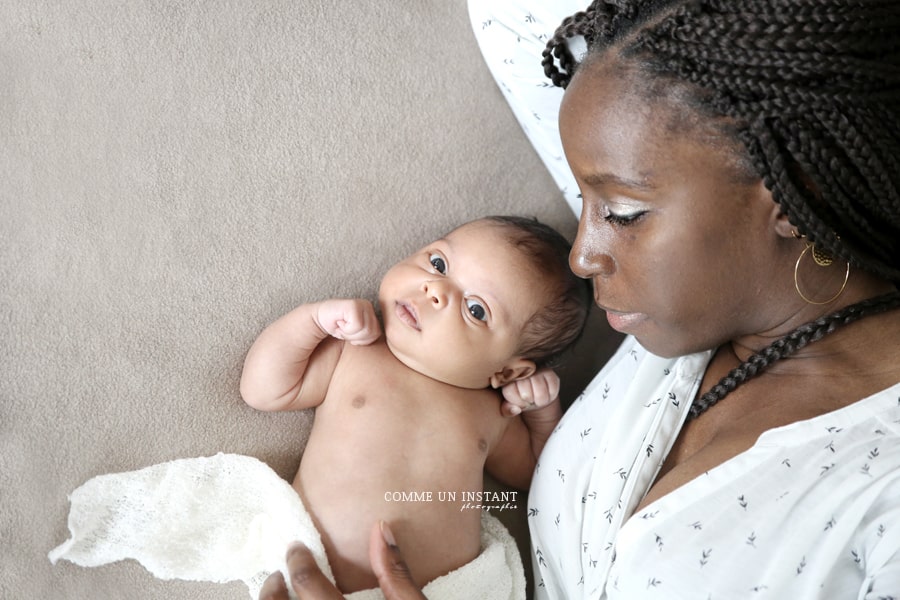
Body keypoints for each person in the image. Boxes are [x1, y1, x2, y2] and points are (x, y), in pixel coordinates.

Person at [261, 0, 900, 598]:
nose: (580, 255)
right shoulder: (680, 307)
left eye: (621, 213)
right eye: (585, 200)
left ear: (797, 198)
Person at [240, 215, 591, 594]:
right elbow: (264, 390)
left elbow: (538, 475)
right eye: (438, 263)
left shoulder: (493, 413)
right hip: (313, 576)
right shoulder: (356, 352)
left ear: (507, 373)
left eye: (476, 310)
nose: (436, 289)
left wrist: (541, 411)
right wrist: (313, 320)